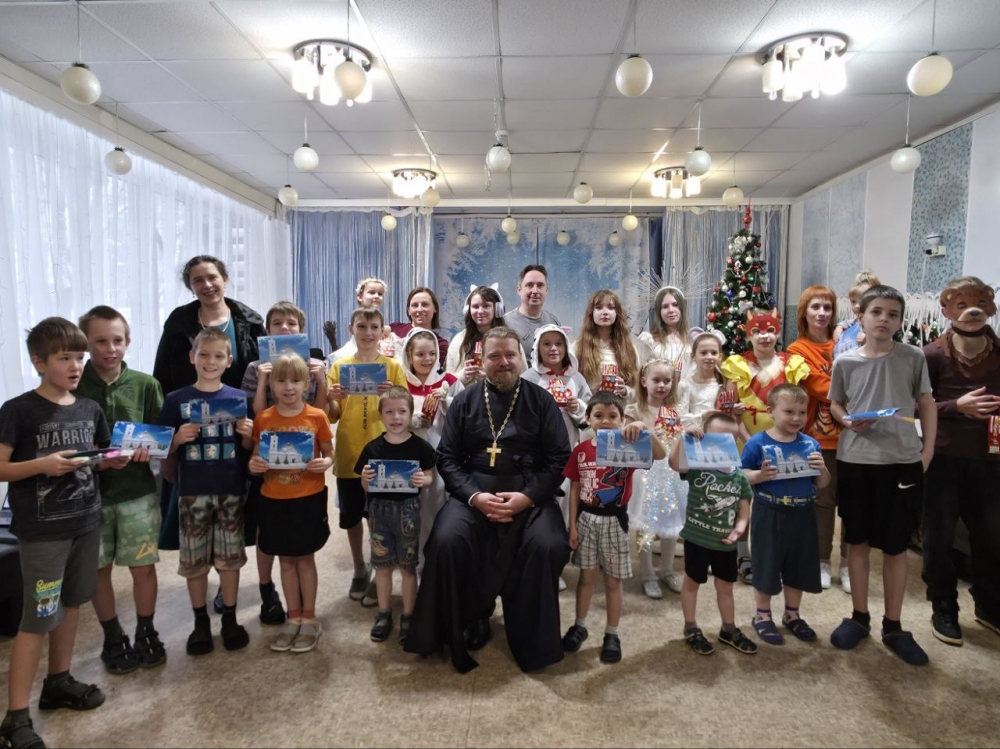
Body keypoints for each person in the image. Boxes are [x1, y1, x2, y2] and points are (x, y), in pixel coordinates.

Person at [403, 328, 572, 673]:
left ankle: (530, 637)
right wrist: (475, 497)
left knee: (548, 543)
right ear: (483, 360)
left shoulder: (541, 401)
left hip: (528, 491)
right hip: (475, 490)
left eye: (510, 355)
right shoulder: (466, 400)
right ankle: (469, 616)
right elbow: (447, 457)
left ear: (521, 358)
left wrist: (526, 498)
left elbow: (559, 459)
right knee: (447, 540)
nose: (503, 362)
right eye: (494, 356)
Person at [0, 318, 129, 749]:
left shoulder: (89, 408)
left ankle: (58, 681)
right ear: (39, 363)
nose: (76, 366)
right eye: (64, 358)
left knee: (72, 605)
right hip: (43, 533)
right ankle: (15, 716)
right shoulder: (18, 410)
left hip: (85, 523)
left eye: (79, 357)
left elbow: (98, 456)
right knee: (38, 619)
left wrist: (112, 459)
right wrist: (42, 465)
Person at [828, 284, 937, 666]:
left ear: (900, 321)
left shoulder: (912, 356)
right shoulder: (845, 362)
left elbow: (927, 403)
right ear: (861, 315)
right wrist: (846, 420)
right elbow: (836, 404)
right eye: (877, 312)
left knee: (895, 547)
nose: (884, 320)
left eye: (893, 314)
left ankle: (894, 626)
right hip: (856, 461)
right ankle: (859, 617)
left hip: (902, 462)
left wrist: (926, 452)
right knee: (856, 541)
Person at [152, 255, 265, 614]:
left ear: (224, 279)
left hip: (238, 424)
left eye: (212, 277)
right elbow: (161, 378)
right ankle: (210, 589)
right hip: (194, 435)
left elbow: (263, 371)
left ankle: (232, 587)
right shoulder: (179, 323)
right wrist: (169, 449)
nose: (207, 285)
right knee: (197, 514)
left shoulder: (249, 320)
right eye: (197, 280)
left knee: (237, 509)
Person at [76, 306, 167, 675]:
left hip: (137, 493)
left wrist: (153, 451)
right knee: (98, 571)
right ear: (86, 343)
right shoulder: (73, 387)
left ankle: (146, 629)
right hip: (88, 499)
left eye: (117, 340)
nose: (110, 348)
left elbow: (161, 437)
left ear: (127, 341)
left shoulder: (145, 384)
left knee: (143, 567)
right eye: (100, 341)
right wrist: (97, 463)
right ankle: (112, 635)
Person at [159, 327, 255, 656]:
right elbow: (160, 449)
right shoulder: (176, 400)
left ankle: (229, 617)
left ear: (228, 361)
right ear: (192, 357)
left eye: (218, 356)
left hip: (230, 490)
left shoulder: (239, 399)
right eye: (204, 354)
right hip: (192, 492)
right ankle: (200, 621)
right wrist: (176, 439)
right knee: (194, 561)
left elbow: (247, 449)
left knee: (231, 559)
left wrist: (248, 435)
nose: (210, 361)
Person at [921, 277, 1000, 645]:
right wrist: (956, 406)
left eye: (981, 303)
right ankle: (943, 605)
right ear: (946, 310)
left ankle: (989, 604)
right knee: (938, 536)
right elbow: (914, 407)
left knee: (991, 537)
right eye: (962, 304)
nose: (973, 311)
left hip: (991, 461)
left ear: (992, 307)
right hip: (943, 459)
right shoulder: (931, 355)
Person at [561, 391, 666, 663]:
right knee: (586, 578)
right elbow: (575, 488)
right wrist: (572, 525)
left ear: (621, 420)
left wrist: (643, 429)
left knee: (612, 580)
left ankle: (612, 633)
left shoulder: (629, 447)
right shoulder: (581, 450)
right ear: (587, 418)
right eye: (598, 415)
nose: (605, 421)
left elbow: (660, 454)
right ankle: (580, 625)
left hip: (615, 523)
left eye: (612, 416)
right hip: (586, 520)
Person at [241, 301, 328, 627]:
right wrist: (264, 380)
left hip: (304, 471)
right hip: (268, 460)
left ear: (301, 330)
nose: (284, 328)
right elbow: (257, 416)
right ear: (267, 330)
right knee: (269, 533)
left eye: (291, 323)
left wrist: (322, 379)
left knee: (303, 548)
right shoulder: (256, 367)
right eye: (277, 323)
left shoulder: (312, 364)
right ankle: (268, 591)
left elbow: (320, 413)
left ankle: (307, 610)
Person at [248, 354, 334, 654]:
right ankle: (293, 615)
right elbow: (255, 458)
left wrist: (325, 463)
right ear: (271, 384)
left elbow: (328, 453)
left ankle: (310, 618)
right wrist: (254, 465)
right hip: (274, 500)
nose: (288, 387)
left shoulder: (317, 416)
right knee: (285, 561)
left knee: (305, 560)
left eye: (295, 380)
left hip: (307, 499)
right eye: (281, 380)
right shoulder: (264, 418)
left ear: (306, 384)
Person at [722, 308, 809, 584]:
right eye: (757, 331)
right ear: (748, 334)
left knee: (776, 500)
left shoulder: (791, 364)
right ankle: (742, 554)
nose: (764, 336)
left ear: (778, 331)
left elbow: (799, 407)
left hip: (783, 443)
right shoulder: (736, 364)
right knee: (743, 499)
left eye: (770, 330)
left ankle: (775, 555)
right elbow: (729, 410)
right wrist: (752, 443)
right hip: (744, 439)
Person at [326, 306, 407, 605]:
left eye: (374, 327)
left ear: (382, 332)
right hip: (349, 452)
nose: (368, 333)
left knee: (379, 518)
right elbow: (332, 415)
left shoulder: (392, 367)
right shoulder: (339, 367)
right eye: (362, 326)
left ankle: (379, 569)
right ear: (352, 330)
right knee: (351, 518)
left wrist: (392, 394)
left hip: (382, 453)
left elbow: (403, 411)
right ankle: (359, 567)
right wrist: (331, 398)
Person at [741, 384, 829, 646]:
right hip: (770, 511)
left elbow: (822, 483)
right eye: (789, 411)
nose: (796, 418)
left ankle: (792, 614)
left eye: (801, 412)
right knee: (766, 562)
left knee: (798, 564)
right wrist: (759, 476)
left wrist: (822, 469)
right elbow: (741, 474)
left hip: (803, 512)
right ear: (771, 411)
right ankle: (762, 615)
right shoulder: (757, 442)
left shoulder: (810, 444)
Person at [667, 411, 756, 656]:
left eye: (731, 439)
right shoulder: (697, 467)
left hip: (726, 544)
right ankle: (690, 626)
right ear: (705, 439)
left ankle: (728, 628)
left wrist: (740, 528)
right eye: (718, 438)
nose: (725, 443)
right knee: (692, 582)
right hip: (697, 540)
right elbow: (674, 464)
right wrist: (683, 439)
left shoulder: (739, 476)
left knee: (726, 586)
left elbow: (744, 508)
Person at [356, 387, 437, 643]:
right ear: (381, 415)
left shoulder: (421, 447)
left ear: (410, 414)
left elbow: (430, 477)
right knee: (382, 567)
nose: (396, 417)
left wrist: (423, 479)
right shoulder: (372, 448)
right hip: (379, 513)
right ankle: (384, 613)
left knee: (408, 567)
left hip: (408, 513)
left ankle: (409, 615)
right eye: (389, 412)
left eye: (402, 411)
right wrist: (365, 479)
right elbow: (365, 485)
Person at [787, 286, 849, 593]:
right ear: (804, 312)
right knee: (823, 502)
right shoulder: (797, 350)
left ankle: (848, 565)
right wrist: (856, 390)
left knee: (853, 503)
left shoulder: (845, 342)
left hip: (856, 437)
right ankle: (822, 560)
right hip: (820, 439)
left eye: (827, 307)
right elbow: (821, 387)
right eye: (815, 307)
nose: (822, 313)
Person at [398, 328, 463, 574]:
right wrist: (410, 420)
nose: (427, 359)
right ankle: (414, 563)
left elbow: (465, 415)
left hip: (439, 456)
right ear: (409, 356)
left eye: (432, 353)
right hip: (408, 456)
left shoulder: (449, 382)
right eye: (420, 354)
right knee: (410, 510)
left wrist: (446, 402)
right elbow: (387, 414)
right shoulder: (400, 383)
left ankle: (438, 563)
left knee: (437, 507)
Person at [626, 358, 686, 598]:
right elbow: (626, 443)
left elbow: (679, 442)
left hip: (671, 473)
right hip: (645, 474)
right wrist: (638, 426)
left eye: (667, 381)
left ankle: (667, 569)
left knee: (671, 522)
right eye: (656, 380)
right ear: (644, 381)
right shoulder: (633, 411)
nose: (662, 385)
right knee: (646, 525)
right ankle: (648, 573)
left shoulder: (675, 411)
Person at [575, 289, 641, 403]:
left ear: (617, 313)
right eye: (599, 307)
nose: (605, 312)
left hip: (620, 411)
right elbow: (570, 387)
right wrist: (590, 392)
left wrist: (625, 391)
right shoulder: (578, 347)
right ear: (591, 313)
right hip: (591, 410)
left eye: (611, 308)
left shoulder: (629, 349)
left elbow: (640, 391)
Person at [446, 284, 506, 384]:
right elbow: (446, 384)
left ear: (497, 309)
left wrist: (493, 377)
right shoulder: (459, 340)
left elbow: (520, 380)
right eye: (475, 307)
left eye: (486, 306)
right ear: (468, 310)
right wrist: (462, 376)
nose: (480, 311)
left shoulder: (509, 340)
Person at [327, 277, 391, 364]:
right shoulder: (357, 316)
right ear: (360, 296)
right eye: (371, 292)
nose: (376, 296)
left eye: (380, 294)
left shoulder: (381, 320)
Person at [502, 264, 560, 360]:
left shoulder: (554, 322)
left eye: (540, 285)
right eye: (529, 285)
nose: (535, 291)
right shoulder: (505, 323)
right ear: (519, 290)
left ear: (546, 290)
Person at [676, 331, 729, 431]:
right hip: (695, 435)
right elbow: (679, 418)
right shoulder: (685, 385)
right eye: (703, 353)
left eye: (714, 353)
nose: (709, 357)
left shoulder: (724, 383)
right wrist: (702, 416)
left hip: (720, 435)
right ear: (693, 356)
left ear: (720, 356)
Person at [638, 285, 694, 378]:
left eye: (675, 305)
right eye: (665, 306)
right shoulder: (649, 341)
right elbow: (639, 374)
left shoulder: (692, 343)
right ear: (659, 312)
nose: (671, 310)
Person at [388, 287, 448, 371]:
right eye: (415, 305)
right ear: (409, 310)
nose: (419, 309)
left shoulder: (440, 344)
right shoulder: (394, 329)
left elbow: (428, 372)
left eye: (425, 304)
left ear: (435, 309)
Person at [833, 271, 881, 359]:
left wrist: (868, 342)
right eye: (853, 301)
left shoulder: (879, 323)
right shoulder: (856, 321)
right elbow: (849, 322)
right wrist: (839, 327)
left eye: (862, 301)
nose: (857, 306)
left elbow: (884, 348)